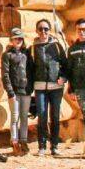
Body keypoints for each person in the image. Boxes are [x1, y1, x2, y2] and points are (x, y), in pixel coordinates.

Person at [32, 18, 68, 156]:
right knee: (41, 115)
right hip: (40, 86)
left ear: (49, 31)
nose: (43, 32)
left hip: (56, 87)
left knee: (55, 116)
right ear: (36, 31)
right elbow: (30, 68)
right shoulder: (33, 48)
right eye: (40, 29)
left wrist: (63, 77)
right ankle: (42, 145)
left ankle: (54, 146)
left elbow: (65, 64)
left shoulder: (57, 46)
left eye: (46, 29)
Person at [1, 27, 34, 156]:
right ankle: (14, 141)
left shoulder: (27, 54)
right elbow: (5, 74)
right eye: (16, 38)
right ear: (11, 40)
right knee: (15, 117)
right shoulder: (7, 55)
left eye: (20, 38)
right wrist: (10, 91)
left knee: (24, 117)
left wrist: (30, 88)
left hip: (26, 90)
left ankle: (24, 141)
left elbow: (31, 71)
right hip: (14, 91)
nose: (18, 41)